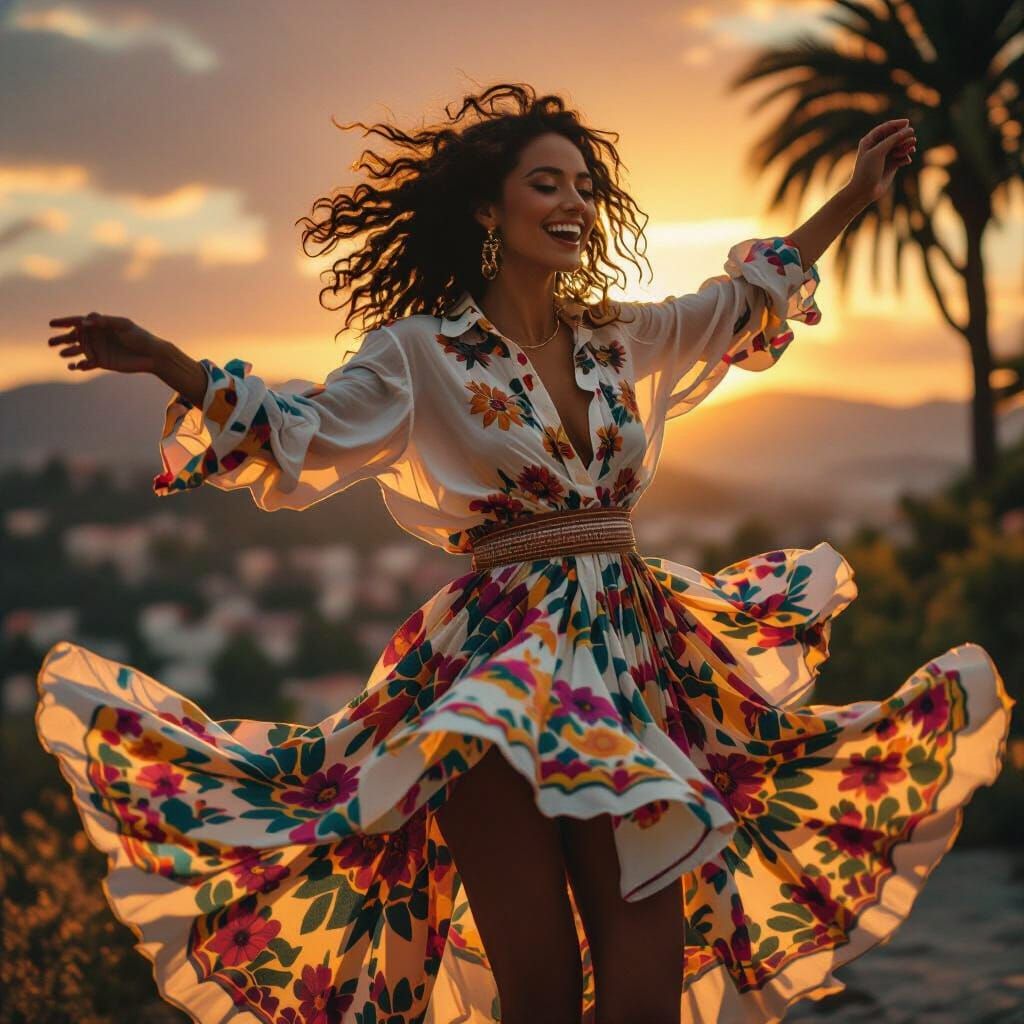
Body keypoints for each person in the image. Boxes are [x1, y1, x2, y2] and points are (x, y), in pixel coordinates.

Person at [36, 83, 1011, 1024]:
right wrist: (172, 362)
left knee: (643, 1002)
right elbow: (304, 429)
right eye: (548, 183)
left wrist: (852, 193)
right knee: (539, 999)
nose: (575, 203)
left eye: (585, 186)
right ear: (486, 207)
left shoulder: (615, 339)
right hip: (490, 684)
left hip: (629, 674)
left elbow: (742, 299)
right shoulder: (417, 352)